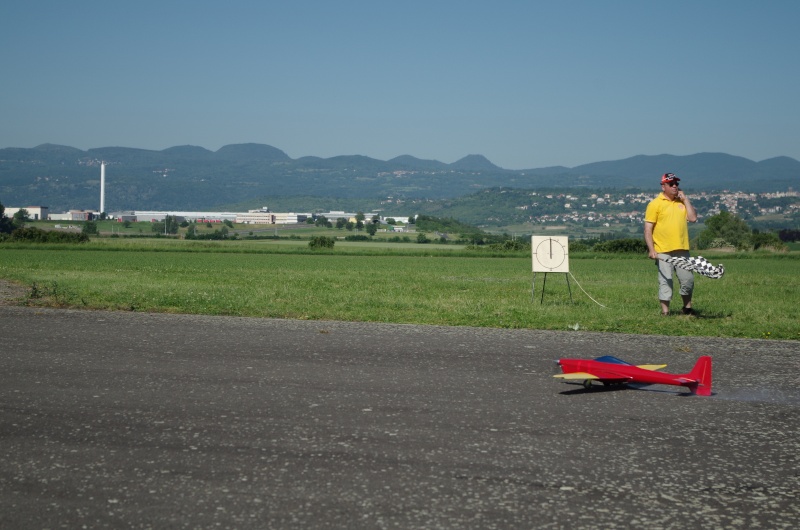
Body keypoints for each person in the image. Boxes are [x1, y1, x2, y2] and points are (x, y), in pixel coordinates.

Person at [644, 172, 698, 316]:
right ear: (664, 186)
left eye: (677, 184)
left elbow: (692, 218)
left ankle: (687, 308)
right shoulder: (655, 204)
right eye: (671, 184)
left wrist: (686, 199)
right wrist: (651, 249)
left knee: (687, 280)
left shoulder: (682, 202)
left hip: (682, 248)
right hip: (663, 250)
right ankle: (665, 312)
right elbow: (648, 229)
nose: (675, 186)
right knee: (666, 281)